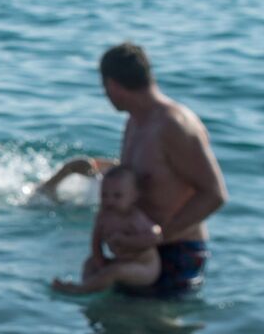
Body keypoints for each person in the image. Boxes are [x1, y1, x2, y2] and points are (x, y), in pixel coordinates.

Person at [34, 42, 226, 298]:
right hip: (137, 253)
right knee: (109, 332)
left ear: (112, 85)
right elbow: (144, 176)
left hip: (175, 251)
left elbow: (214, 194)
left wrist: (156, 237)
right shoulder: (136, 121)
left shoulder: (175, 125)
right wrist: (76, 169)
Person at [52, 166, 159, 295]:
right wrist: (100, 260)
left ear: (134, 196)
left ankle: (81, 290)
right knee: (90, 262)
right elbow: (96, 242)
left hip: (144, 267)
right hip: (120, 262)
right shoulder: (103, 217)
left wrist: (126, 241)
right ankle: (90, 285)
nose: (109, 201)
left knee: (115, 271)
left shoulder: (134, 217)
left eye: (117, 196)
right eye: (104, 195)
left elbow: (155, 237)